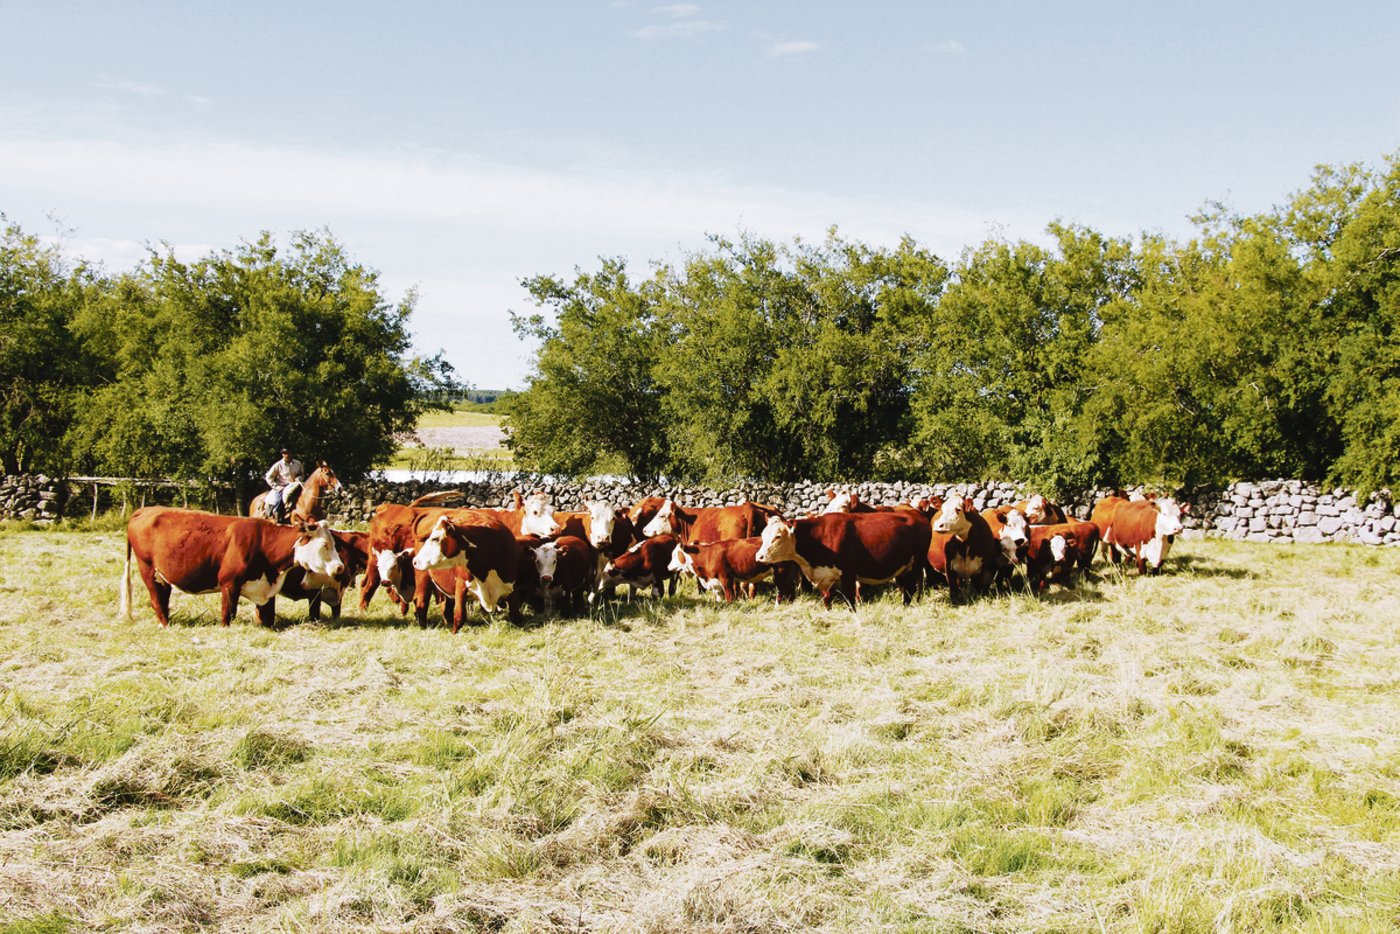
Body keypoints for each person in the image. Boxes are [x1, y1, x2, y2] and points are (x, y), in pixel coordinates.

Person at [264, 448, 305, 523]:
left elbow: (301, 473)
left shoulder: (297, 463)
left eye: (288, 453)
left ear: (291, 454)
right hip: (283, 486)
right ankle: (276, 515)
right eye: (284, 453)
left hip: (295, 484)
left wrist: (299, 478)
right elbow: (269, 477)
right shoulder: (278, 465)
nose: (287, 455)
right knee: (278, 499)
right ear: (282, 455)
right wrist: (276, 486)